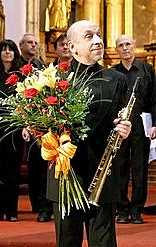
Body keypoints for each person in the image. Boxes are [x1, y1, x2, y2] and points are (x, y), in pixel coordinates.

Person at [46, 20, 132, 247]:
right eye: (89, 36)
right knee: (67, 241)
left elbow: (122, 124)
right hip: (66, 174)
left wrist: (125, 130)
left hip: (102, 175)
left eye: (99, 35)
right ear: (72, 47)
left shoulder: (118, 80)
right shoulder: (53, 80)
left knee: (103, 241)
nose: (98, 40)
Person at [114, 34, 156, 224]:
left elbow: (155, 98)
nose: (125, 48)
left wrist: (155, 124)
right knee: (120, 167)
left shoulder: (147, 70)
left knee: (139, 168)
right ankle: (122, 209)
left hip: (141, 124)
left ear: (134, 46)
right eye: (121, 45)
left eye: (128, 44)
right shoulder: (113, 73)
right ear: (116, 50)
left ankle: (137, 210)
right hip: (121, 126)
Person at [19, 33, 53, 222]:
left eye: (35, 43)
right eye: (29, 43)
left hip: (39, 121)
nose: (33, 45)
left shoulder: (41, 66)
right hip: (19, 120)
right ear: (21, 46)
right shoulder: (15, 66)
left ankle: (42, 204)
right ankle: (35, 203)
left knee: (41, 165)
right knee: (32, 165)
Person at [0, 39, 23, 222]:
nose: (7, 52)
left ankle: (12, 211)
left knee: (12, 168)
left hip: (14, 126)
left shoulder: (21, 77)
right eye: (4, 49)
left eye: (11, 49)